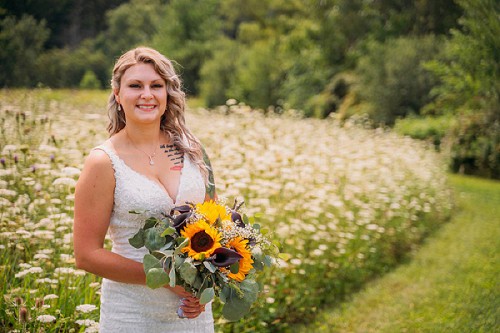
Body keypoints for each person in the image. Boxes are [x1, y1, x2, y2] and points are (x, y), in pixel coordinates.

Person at [73, 46, 216, 332]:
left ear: (167, 93)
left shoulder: (192, 151)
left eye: (156, 86)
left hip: (193, 314)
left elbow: (215, 226)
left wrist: (205, 285)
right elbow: (86, 254)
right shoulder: (103, 161)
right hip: (132, 314)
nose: (147, 94)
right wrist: (167, 277)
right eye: (135, 86)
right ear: (117, 94)